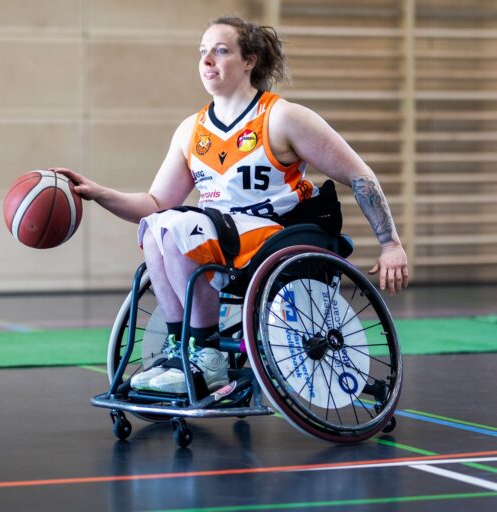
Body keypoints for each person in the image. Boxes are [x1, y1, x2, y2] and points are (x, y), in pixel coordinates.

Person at [54, 16, 409, 395]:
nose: (207, 61)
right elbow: (155, 203)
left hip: (277, 235)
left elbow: (360, 175)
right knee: (156, 226)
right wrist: (97, 192)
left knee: (173, 225)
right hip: (220, 236)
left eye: (220, 51)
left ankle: (207, 357)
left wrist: (390, 244)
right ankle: (183, 350)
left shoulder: (282, 117)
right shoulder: (191, 130)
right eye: (202, 52)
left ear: (249, 61)